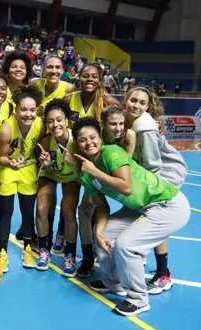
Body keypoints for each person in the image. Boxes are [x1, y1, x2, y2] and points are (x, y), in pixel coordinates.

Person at [71, 117, 190, 316]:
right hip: (140, 208)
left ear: (100, 138)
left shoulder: (112, 153)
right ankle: (113, 282)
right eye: (83, 140)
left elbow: (126, 187)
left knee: (127, 245)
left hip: (167, 205)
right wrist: (99, 232)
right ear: (77, 143)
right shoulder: (85, 174)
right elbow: (101, 207)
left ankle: (138, 299)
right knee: (104, 235)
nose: (88, 142)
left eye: (92, 137)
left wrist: (95, 172)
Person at [122, 86, 188, 294]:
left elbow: (153, 165)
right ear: (126, 100)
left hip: (166, 173)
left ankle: (163, 274)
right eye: (133, 100)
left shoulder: (145, 127)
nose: (137, 105)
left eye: (142, 103)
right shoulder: (127, 120)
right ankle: (141, 257)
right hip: (150, 173)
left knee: (156, 218)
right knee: (143, 216)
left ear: (149, 106)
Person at [64, 63, 120, 277]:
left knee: (88, 209)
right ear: (79, 77)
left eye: (94, 76)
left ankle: (91, 255)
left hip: (95, 163)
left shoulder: (107, 101)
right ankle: (85, 251)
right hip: (74, 159)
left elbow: (124, 120)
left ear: (100, 79)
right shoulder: (70, 99)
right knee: (74, 208)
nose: (89, 79)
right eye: (85, 75)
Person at [0, 86, 43, 272]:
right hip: (8, 168)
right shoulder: (6, 128)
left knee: (27, 211)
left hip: (28, 168)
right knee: (6, 212)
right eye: (23, 109)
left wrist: (43, 157)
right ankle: (3, 252)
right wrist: (11, 163)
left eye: (32, 110)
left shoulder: (40, 124)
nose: (28, 114)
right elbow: (1, 156)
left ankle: (28, 249)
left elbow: (43, 147)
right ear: (16, 110)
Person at [35, 99, 80, 276]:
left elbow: (86, 166)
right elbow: (47, 169)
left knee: (69, 212)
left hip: (71, 176)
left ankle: (69, 253)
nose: (55, 124)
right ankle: (44, 248)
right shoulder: (45, 141)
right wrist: (45, 165)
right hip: (51, 174)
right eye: (51, 121)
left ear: (67, 121)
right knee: (41, 209)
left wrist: (74, 162)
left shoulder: (77, 140)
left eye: (59, 120)